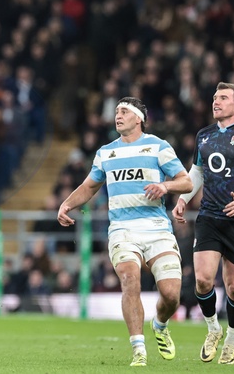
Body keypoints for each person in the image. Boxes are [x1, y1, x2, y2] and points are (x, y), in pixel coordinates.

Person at [57, 97, 193, 367]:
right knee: (130, 278)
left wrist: (165, 187)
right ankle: (138, 349)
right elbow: (89, 186)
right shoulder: (106, 152)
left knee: (171, 295)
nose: (117, 115)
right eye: (117, 111)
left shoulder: (158, 146)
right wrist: (67, 204)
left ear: (138, 118)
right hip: (122, 229)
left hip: (156, 228)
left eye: (124, 111)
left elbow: (186, 181)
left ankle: (160, 324)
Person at [172, 82, 234, 365]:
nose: (216, 102)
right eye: (215, 98)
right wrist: (183, 198)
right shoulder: (204, 135)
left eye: (223, 98)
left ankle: (232, 339)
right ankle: (213, 329)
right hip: (209, 217)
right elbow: (197, 172)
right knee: (203, 280)